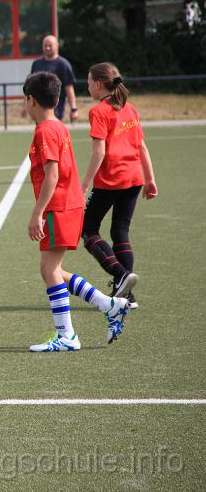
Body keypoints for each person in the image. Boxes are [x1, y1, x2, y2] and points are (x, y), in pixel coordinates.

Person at [22, 71, 129, 352]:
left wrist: (37, 213)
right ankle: (109, 305)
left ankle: (67, 336)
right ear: (58, 99)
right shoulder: (57, 126)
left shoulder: (45, 130)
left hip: (59, 207)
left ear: (31, 100)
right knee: (51, 269)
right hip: (68, 205)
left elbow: (52, 175)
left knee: (50, 269)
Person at [80, 62, 158, 309]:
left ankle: (121, 275)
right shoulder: (129, 108)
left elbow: (99, 152)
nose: (87, 86)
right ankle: (126, 296)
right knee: (120, 232)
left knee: (88, 229)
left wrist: (84, 185)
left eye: (89, 82)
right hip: (134, 178)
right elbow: (142, 146)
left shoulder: (98, 112)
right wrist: (149, 178)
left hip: (111, 179)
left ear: (98, 84)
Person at [26, 35, 78, 123]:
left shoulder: (63, 64)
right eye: (45, 46)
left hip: (55, 108)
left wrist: (73, 109)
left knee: (52, 128)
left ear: (57, 46)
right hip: (38, 108)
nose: (47, 48)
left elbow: (69, 87)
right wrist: (25, 106)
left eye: (50, 45)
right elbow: (30, 86)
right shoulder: (36, 63)